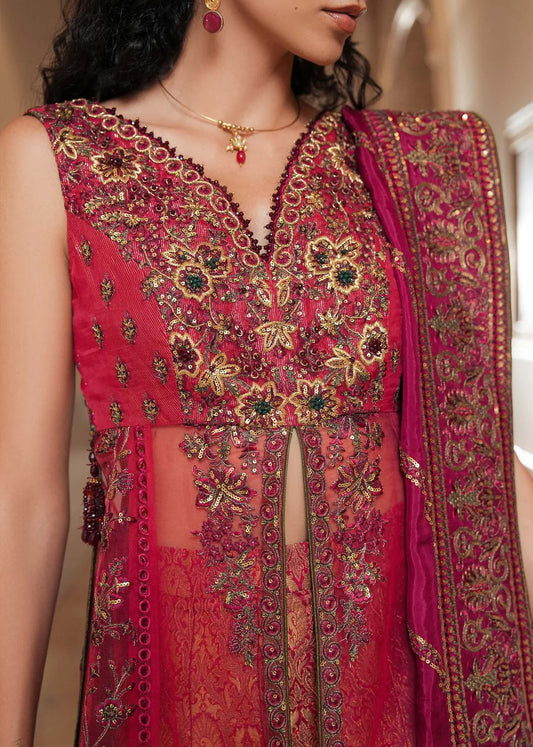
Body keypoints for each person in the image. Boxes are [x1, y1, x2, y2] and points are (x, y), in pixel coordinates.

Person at [1, 0, 533, 744]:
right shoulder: (56, 160)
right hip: (177, 694)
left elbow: (473, 460)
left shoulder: (404, 171)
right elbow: (22, 499)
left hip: (390, 698)